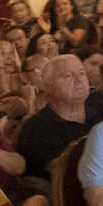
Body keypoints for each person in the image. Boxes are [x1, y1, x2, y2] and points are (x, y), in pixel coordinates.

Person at [15, 55, 103, 189]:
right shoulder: (37, 128)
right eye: (68, 76)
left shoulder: (98, 108)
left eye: (81, 73)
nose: (79, 80)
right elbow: (64, 173)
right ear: (48, 86)